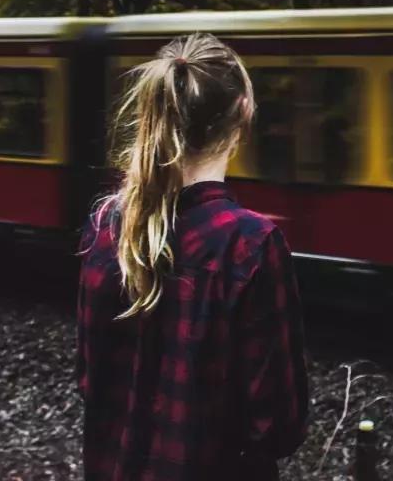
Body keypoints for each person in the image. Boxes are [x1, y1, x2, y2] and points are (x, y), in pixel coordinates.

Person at [77, 33, 309, 481]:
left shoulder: (106, 227)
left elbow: (91, 382)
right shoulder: (251, 244)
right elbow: (278, 424)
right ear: (243, 110)